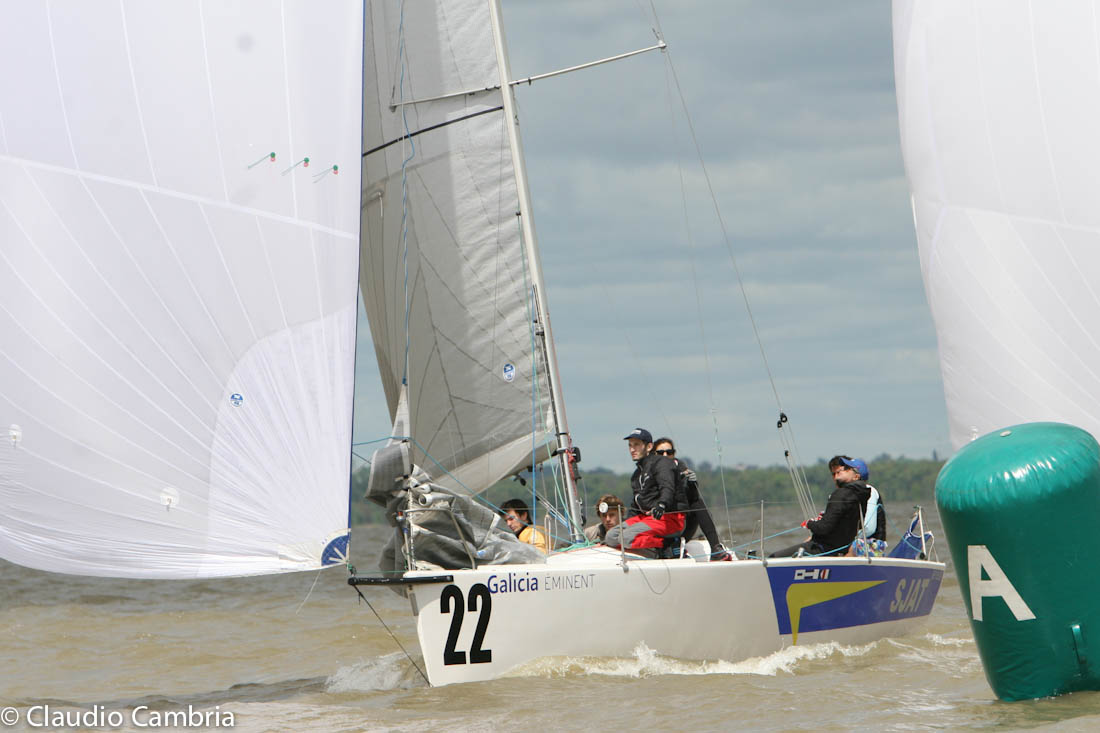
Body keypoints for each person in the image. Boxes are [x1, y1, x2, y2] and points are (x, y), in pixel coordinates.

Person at [604, 428, 687, 552]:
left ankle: (666, 545)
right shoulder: (636, 475)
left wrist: (662, 504)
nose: (632, 449)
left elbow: (667, 487)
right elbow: (636, 505)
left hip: (668, 518)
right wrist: (627, 523)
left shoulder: (662, 463)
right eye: (630, 445)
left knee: (625, 537)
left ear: (649, 447)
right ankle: (643, 546)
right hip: (645, 518)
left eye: (636, 445)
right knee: (610, 537)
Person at [769, 455, 871, 557]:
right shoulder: (862, 494)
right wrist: (827, 518)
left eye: (846, 469)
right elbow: (857, 525)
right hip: (840, 550)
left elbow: (823, 528)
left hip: (821, 549)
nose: (840, 471)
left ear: (856, 477)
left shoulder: (841, 494)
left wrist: (809, 523)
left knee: (773, 557)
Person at [652, 437, 733, 561]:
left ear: (674, 453)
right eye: (660, 453)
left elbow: (692, 499)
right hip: (662, 525)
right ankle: (671, 547)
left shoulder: (681, 467)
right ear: (654, 454)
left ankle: (715, 548)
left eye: (669, 452)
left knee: (697, 503)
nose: (665, 455)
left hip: (681, 525)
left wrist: (691, 484)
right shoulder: (650, 472)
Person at [845, 458, 888, 557]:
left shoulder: (869, 491)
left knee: (852, 547)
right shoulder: (848, 493)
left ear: (856, 476)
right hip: (857, 541)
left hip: (874, 545)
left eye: (847, 470)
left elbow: (868, 528)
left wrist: (846, 537)